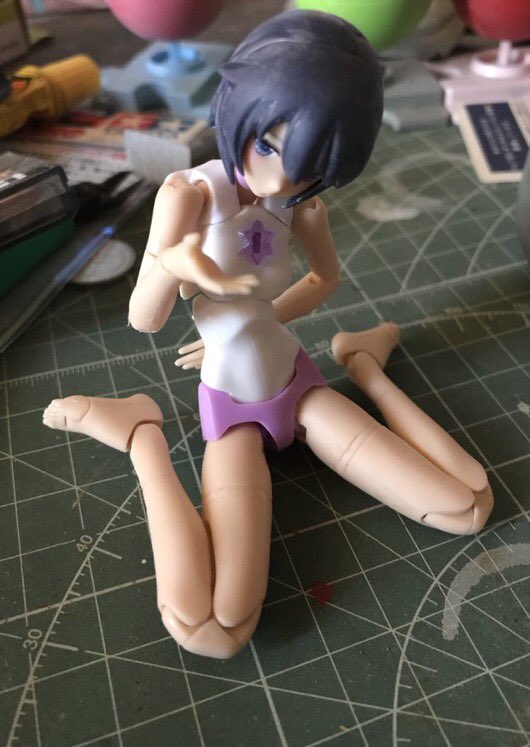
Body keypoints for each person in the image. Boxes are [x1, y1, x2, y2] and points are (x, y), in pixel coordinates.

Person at [43, 10, 493, 659]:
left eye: (307, 169)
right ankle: (141, 434)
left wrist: (258, 318)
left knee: (467, 505)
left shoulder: (300, 204)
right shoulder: (190, 194)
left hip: (299, 384)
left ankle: (364, 363)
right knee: (214, 626)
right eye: (271, 148)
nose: (282, 181)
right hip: (231, 406)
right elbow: (144, 318)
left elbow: (324, 278)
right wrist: (173, 263)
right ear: (241, 108)